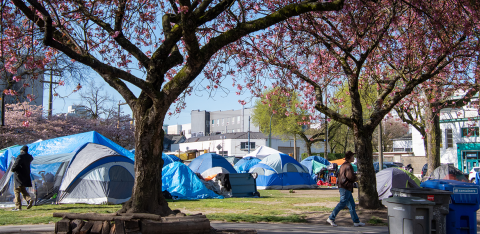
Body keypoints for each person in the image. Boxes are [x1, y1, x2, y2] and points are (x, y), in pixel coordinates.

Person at [327, 151, 365, 227]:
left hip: (344, 186)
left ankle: (356, 221)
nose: (353, 158)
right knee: (342, 203)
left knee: (351, 205)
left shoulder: (343, 165)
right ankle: (331, 218)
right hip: (345, 187)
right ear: (349, 157)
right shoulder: (348, 166)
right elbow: (350, 177)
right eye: (352, 156)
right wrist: (358, 178)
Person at [11, 145, 34, 211]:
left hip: (19, 176)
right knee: (23, 189)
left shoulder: (20, 156)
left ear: (22, 150)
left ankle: (18, 207)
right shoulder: (29, 157)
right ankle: (29, 200)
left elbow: (16, 164)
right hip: (26, 175)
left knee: (17, 190)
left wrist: (12, 169)